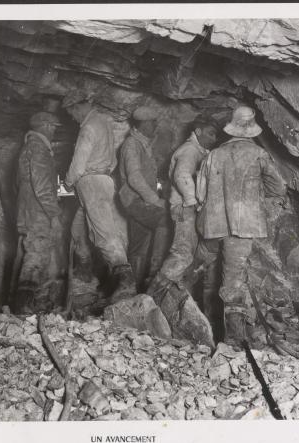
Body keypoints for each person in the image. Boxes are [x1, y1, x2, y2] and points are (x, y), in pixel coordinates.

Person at [195, 105, 287, 345]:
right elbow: (278, 188)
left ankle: (203, 329)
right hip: (241, 226)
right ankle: (234, 338)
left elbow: (200, 192)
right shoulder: (259, 154)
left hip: (211, 225)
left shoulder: (213, 154)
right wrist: (256, 203)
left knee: (208, 273)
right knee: (233, 279)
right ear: (252, 130)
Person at [62, 92, 136, 303]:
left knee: (103, 233)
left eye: (72, 113)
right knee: (78, 231)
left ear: (78, 107)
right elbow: (112, 160)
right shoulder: (103, 122)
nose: (72, 118)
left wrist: (67, 183)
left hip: (90, 182)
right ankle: (83, 281)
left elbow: (78, 164)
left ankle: (125, 283)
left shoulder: (88, 127)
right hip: (105, 180)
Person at [147, 115, 218, 294]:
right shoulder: (189, 150)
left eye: (215, 135)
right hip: (185, 209)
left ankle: (170, 295)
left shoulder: (199, 151)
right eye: (210, 134)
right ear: (198, 131)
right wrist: (191, 201)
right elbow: (181, 175)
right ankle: (152, 295)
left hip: (190, 208)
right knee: (183, 254)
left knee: (190, 254)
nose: (214, 139)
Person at [13, 111, 63, 312]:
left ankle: (32, 303)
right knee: (36, 252)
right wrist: (55, 214)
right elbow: (42, 187)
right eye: (53, 127)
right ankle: (22, 306)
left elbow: (18, 185)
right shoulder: (39, 149)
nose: (54, 131)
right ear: (46, 126)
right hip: (38, 211)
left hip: (28, 208)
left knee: (35, 252)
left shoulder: (28, 148)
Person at [118, 106, 170, 290]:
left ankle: (131, 289)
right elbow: (134, 177)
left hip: (137, 200)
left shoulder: (142, 143)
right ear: (143, 124)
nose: (155, 126)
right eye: (152, 123)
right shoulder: (132, 144)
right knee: (165, 219)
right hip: (135, 200)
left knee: (139, 245)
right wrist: (154, 200)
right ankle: (154, 275)